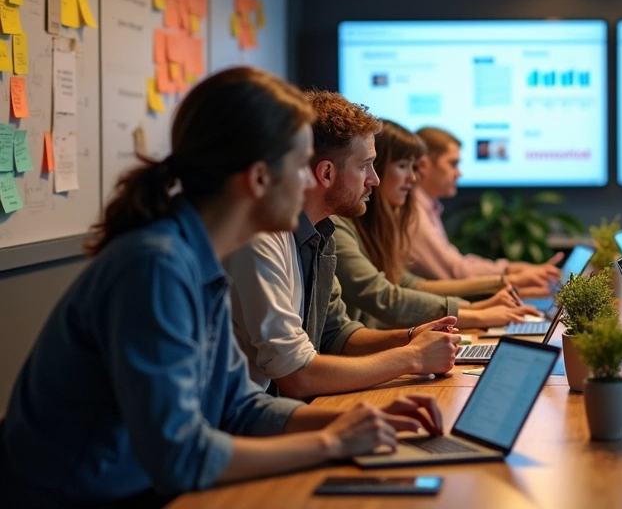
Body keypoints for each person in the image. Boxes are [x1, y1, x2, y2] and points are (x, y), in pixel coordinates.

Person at [0, 69, 444, 506]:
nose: (311, 181)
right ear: (257, 179)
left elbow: (242, 406)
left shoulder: (197, 259)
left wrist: (355, 423)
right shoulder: (155, 266)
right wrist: (330, 443)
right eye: (299, 167)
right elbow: (181, 456)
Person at [225, 91, 459, 400]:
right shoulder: (261, 238)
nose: (373, 179)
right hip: (253, 416)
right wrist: (412, 357)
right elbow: (296, 376)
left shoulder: (320, 232)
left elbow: (336, 333)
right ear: (326, 173)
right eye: (365, 166)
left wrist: (413, 338)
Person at [334, 119, 540, 330]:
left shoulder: (375, 225)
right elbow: (386, 298)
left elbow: (407, 283)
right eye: (403, 166)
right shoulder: (339, 225)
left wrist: (481, 304)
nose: (413, 178)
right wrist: (480, 310)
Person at [409, 126, 562, 285]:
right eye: (453, 164)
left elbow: (459, 265)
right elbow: (456, 272)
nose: (459, 173)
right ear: (423, 166)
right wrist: (513, 275)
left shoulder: (427, 206)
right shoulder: (413, 211)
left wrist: (513, 270)